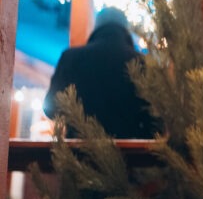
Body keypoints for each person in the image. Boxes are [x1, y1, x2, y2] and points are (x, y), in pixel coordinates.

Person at [44, 7, 155, 138]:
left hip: (78, 152)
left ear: (96, 27)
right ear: (126, 29)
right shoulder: (142, 62)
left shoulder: (70, 58)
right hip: (129, 154)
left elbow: (51, 108)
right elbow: (154, 118)